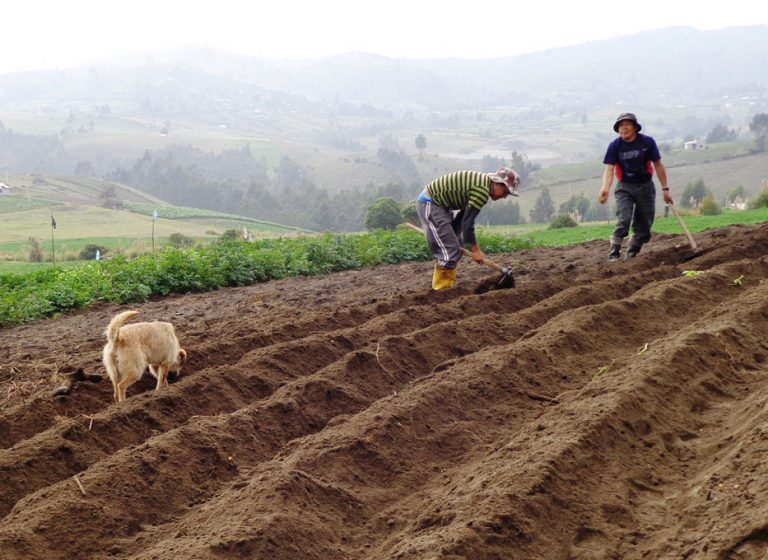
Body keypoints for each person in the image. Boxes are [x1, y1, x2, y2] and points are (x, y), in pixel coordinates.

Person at [416, 167, 520, 289]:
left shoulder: (482, 184)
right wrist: (475, 250)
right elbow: (468, 223)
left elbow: (463, 217)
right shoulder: (482, 190)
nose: (504, 197)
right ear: (498, 183)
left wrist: (454, 237)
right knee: (450, 251)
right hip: (431, 203)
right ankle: (442, 293)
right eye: (506, 192)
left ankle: (444, 286)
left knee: (455, 247)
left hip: (441, 207)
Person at [598, 112, 673, 261]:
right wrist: (605, 189)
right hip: (625, 187)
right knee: (623, 219)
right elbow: (609, 169)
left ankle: (632, 253)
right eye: (620, 125)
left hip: (645, 186)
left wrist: (665, 189)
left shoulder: (647, 142)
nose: (623, 128)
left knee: (644, 224)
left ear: (635, 128)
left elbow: (658, 165)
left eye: (627, 125)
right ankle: (614, 254)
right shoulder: (615, 146)